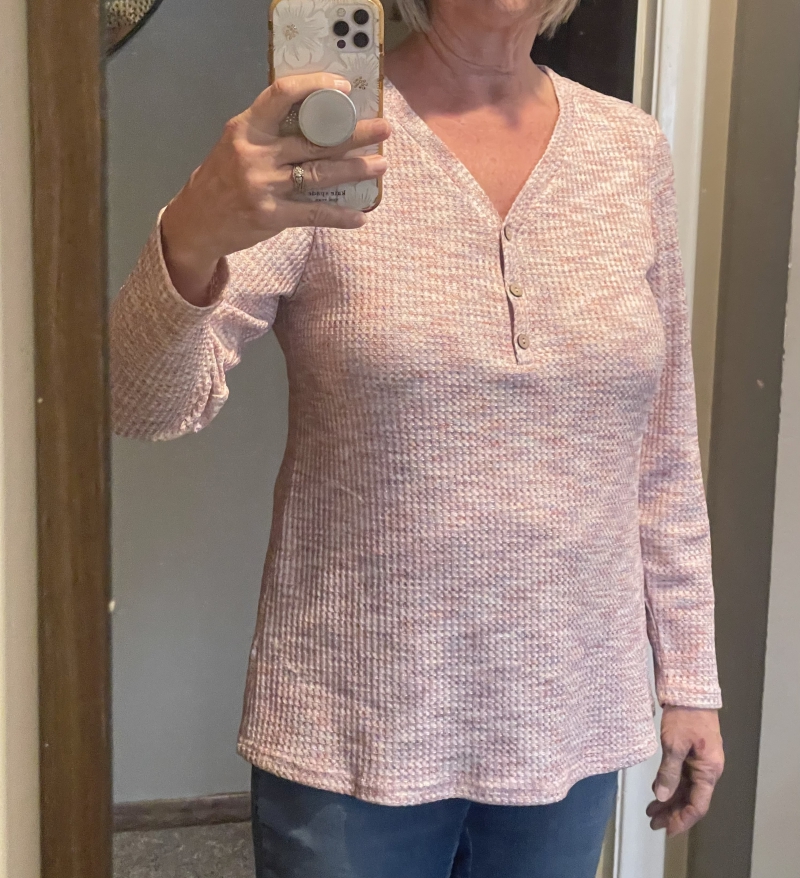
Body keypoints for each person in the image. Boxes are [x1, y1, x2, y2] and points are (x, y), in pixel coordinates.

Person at [108, 0, 726, 875]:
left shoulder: (631, 148)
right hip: (354, 729)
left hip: (572, 723)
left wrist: (691, 680)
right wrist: (193, 234)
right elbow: (141, 402)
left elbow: (662, 454)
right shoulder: (327, 144)